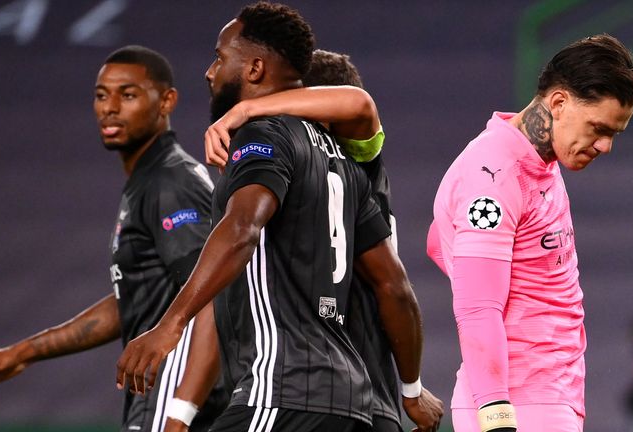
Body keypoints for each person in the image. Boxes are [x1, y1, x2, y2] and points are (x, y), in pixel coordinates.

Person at [115, 3, 443, 432]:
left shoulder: (264, 134)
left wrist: (170, 324)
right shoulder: (348, 166)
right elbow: (394, 284)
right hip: (362, 405)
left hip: (282, 388)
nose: (210, 71)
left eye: (219, 57)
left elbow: (240, 232)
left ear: (255, 69)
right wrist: (412, 390)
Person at [0, 45, 227, 432]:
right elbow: (134, 298)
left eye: (128, 94)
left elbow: (212, 292)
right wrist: (21, 354)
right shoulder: (151, 180)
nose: (110, 107)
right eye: (102, 95)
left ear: (167, 100)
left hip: (173, 404)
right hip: (160, 400)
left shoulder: (170, 181)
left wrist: (180, 414)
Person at [427, 34, 633, 432]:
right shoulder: (494, 174)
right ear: (559, 103)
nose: (606, 146)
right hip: (518, 404)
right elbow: (477, 306)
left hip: (547, 394)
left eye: (614, 133)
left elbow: (438, 240)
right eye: (599, 128)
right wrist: (495, 415)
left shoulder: (537, 162)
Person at [203, 48, 405, 431]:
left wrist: (245, 110)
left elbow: (356, 102)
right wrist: (413, 386)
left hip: (315, 382)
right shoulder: (350, 174)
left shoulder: (355, 161)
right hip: (367, 396)